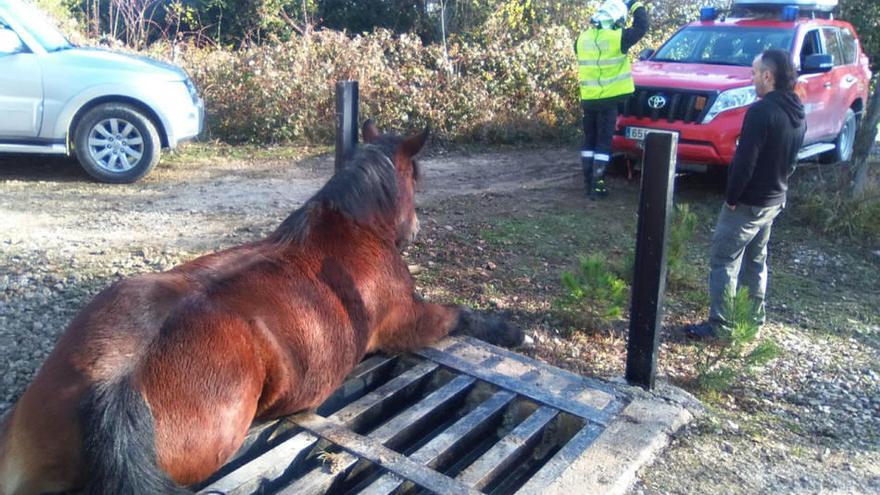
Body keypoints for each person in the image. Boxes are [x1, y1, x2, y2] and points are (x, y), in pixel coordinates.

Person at [686, 49, 806, 337]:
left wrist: (732, 196)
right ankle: (752, 321)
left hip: (748, 203)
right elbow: (791, 161)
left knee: (724, 259)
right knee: (755, 259)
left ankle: (721, 326)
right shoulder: (797, 111)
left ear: (768, 76)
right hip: (774, 201)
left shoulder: (761, 111)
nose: (751, 78)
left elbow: (744, 161)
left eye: (754, 73)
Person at [575, 0, 648, 199]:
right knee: (603, 143)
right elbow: (642, 27)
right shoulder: (619, 38)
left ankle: (588, 182)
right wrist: (634, 5)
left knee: (589, 141)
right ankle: (597, 186)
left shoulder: (582, 39)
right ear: (617, 20)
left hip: (589, 100)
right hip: (608, 102)